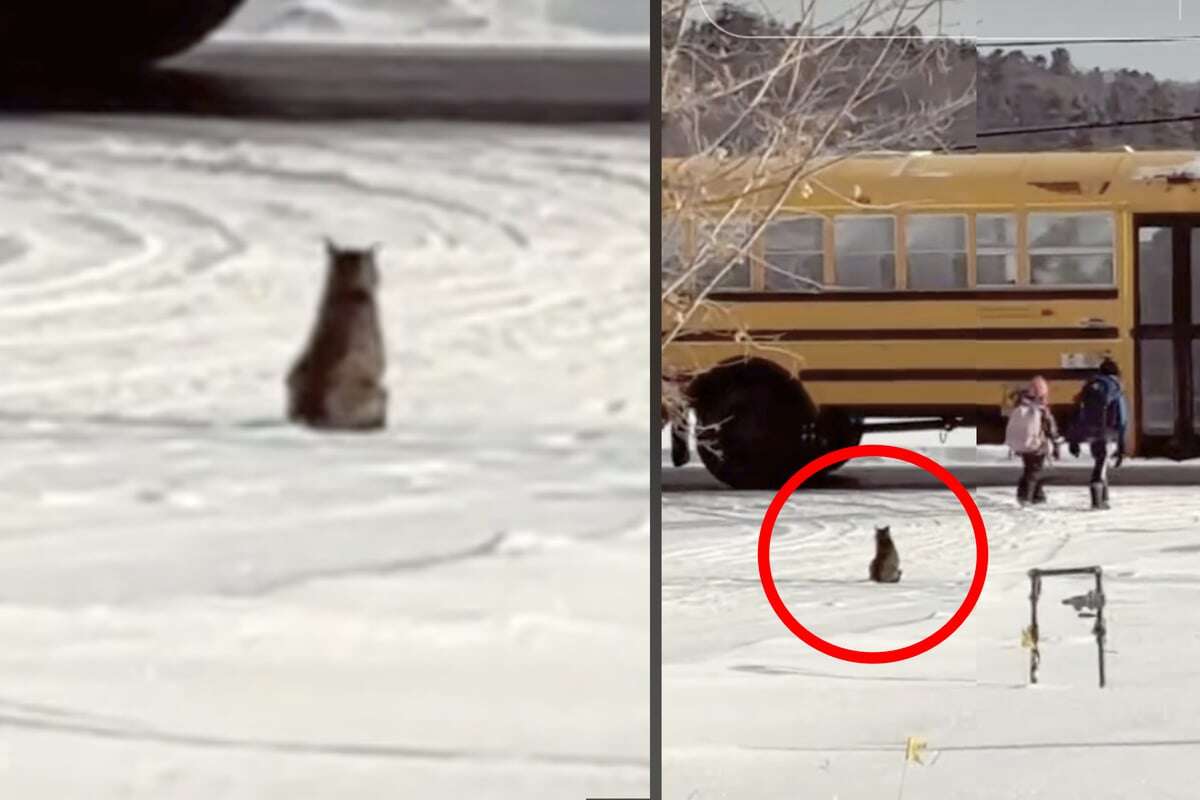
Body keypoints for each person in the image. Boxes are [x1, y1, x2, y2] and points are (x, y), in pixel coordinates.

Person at [1066, 357, 1129, 510]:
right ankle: (1097, 501)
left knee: (1100, 461)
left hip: (1089, 430)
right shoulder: (1115, 387)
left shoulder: (1089, 386)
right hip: (1106, 430)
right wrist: (1122, 445)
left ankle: (1104, 498)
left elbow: (1078, 413)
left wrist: (1074, 440)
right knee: (1101, 464)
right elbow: (1121, 417)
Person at [1005, 375, 1060, 506]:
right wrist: (1055, 442)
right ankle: (1027, 497)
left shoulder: (1020, 405)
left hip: (1023, 444)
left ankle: (1036, 495)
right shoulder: (1041, 409)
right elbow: (1050, 428)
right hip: (1037, 444)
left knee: (1029, 469)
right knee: (1034, 472)